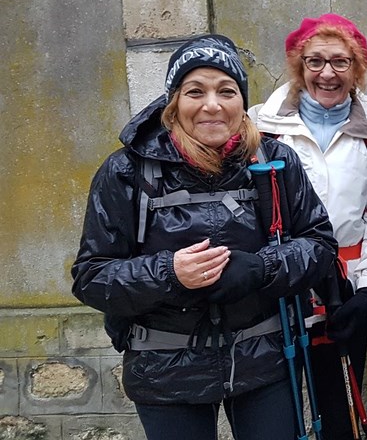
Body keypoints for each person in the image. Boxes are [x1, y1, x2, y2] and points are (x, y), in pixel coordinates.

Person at [72, 34, 338, 440]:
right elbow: (92, 276)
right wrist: (170, 273)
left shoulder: (275, 161)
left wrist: (261, 268)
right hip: (164, 366)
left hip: (264, 358)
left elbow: (319, 244)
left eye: (226, 91)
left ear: (241, 102)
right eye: (196, 91)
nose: (212, 105)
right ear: (174, 102)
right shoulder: (126, 171)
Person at [250, 14, 367, 440]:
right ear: (299, 66)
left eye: (340, 62)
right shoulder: (261, 128)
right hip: (278, 291)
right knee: (279, 410)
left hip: (344, 289)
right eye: (315, 62)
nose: (327, 74)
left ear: (357, 69)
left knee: (340, 411)